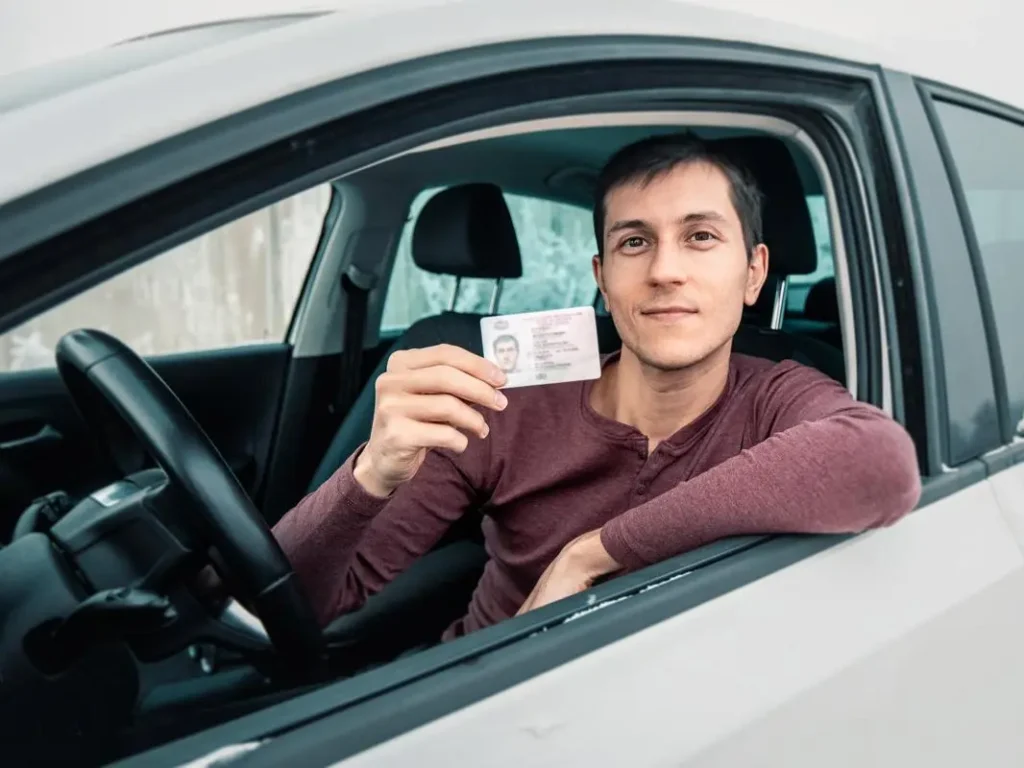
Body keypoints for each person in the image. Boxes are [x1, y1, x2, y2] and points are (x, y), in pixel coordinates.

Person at [273, 133, 922, 640]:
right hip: (478, 697)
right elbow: (296, 601)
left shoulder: (781, 395)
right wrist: (372, 476)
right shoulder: (509, 392)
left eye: (700, 237)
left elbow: (883, 465)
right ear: (604, 279)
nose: (666, 271)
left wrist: (591, 555)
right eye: (635, 242)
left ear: (753, 273)